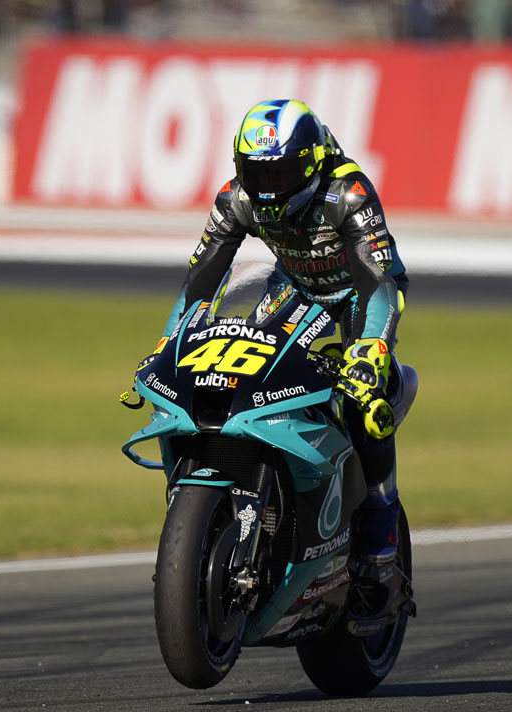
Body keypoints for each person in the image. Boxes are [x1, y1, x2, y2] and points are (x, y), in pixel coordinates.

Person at [141, 99, 409, 592]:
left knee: (363, 399)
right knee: (232, 360)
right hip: (294, 288)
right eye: (256, 172)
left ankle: (380, 515)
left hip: (356, 293)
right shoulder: (235, 197)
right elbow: (200, 281)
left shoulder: (347, 192)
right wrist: (169, 343)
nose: (266, 186)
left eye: (280, 173)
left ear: (310, 163)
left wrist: (371, 349)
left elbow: (380, 282)